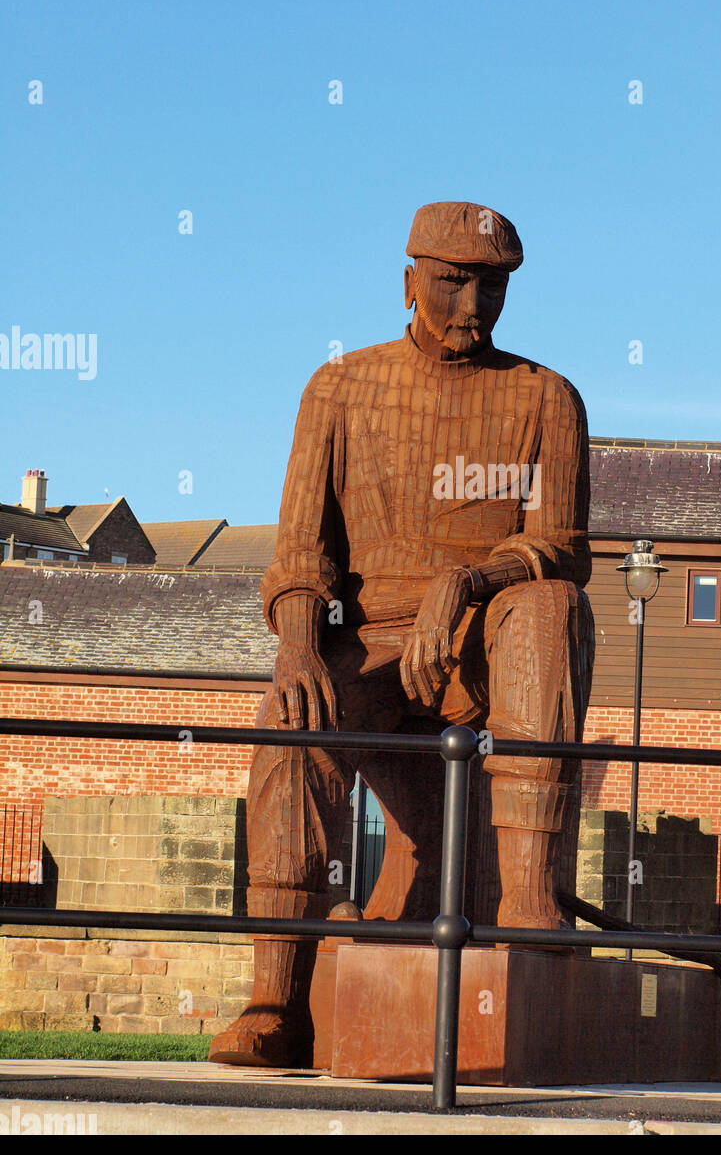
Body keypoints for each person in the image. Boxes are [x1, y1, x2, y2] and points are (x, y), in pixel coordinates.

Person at [209, 202, 594, 1066]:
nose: (472, 306)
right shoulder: (340, 387)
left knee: (547, 607)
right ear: (408, 280)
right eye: (452, 281)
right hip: (367, 642)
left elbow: (563, 548)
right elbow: (302, 552)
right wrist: (300, 646)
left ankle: (530, 911)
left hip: (488, 643)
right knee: (293, 712)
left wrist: (467, 581)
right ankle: (276, 999)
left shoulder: (545, 396)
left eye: (490, 285)